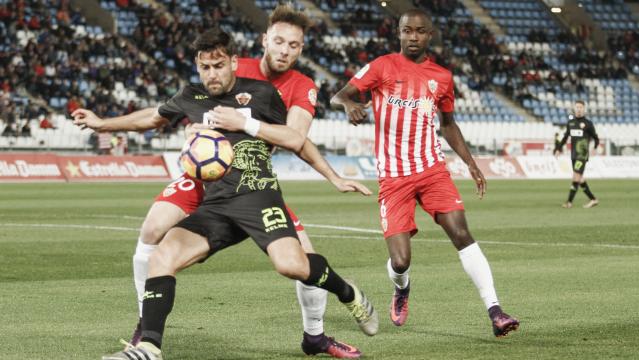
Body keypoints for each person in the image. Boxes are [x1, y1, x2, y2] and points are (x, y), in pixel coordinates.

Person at [75, 28, 376, 359]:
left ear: (234, 62)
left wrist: (332, 176)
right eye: (205, 67)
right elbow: (152, 117)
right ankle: (148, 346)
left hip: (257, 196)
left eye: (219, 65)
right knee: (162, 255)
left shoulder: (261, 94)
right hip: (215, 202)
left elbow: (294, 139)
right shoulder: (191, 96)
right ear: (197, 66)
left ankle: (349, 294)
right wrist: (101, 124)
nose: (212, 74)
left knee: (291, 265)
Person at [330, 8, 519, 337]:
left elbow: (448, 125)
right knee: (400, 261)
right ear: (399, 33)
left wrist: (471, 164)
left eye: (419, 31)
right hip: (393, 177)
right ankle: (401, 288)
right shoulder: (381, 66)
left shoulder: (442, 77)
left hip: (432, 170)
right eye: (407, 31)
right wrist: (350, 105)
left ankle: (495, 310)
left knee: (462, 233)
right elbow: (340, 95)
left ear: (430, 35)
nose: (413, 37)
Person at [553, 100, 599, 208]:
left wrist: (595, 148)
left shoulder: (588, 123)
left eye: (580, 107)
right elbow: (565, 137)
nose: (578, 109)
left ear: (584, 109)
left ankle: (569, 202)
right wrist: (558, 148)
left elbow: (596, 138)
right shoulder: (571, 123)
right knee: (580, 178)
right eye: (577, 107)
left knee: (576, 177)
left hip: (582, 155)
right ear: (574, 109)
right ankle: (593, 199)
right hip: (573, 154)